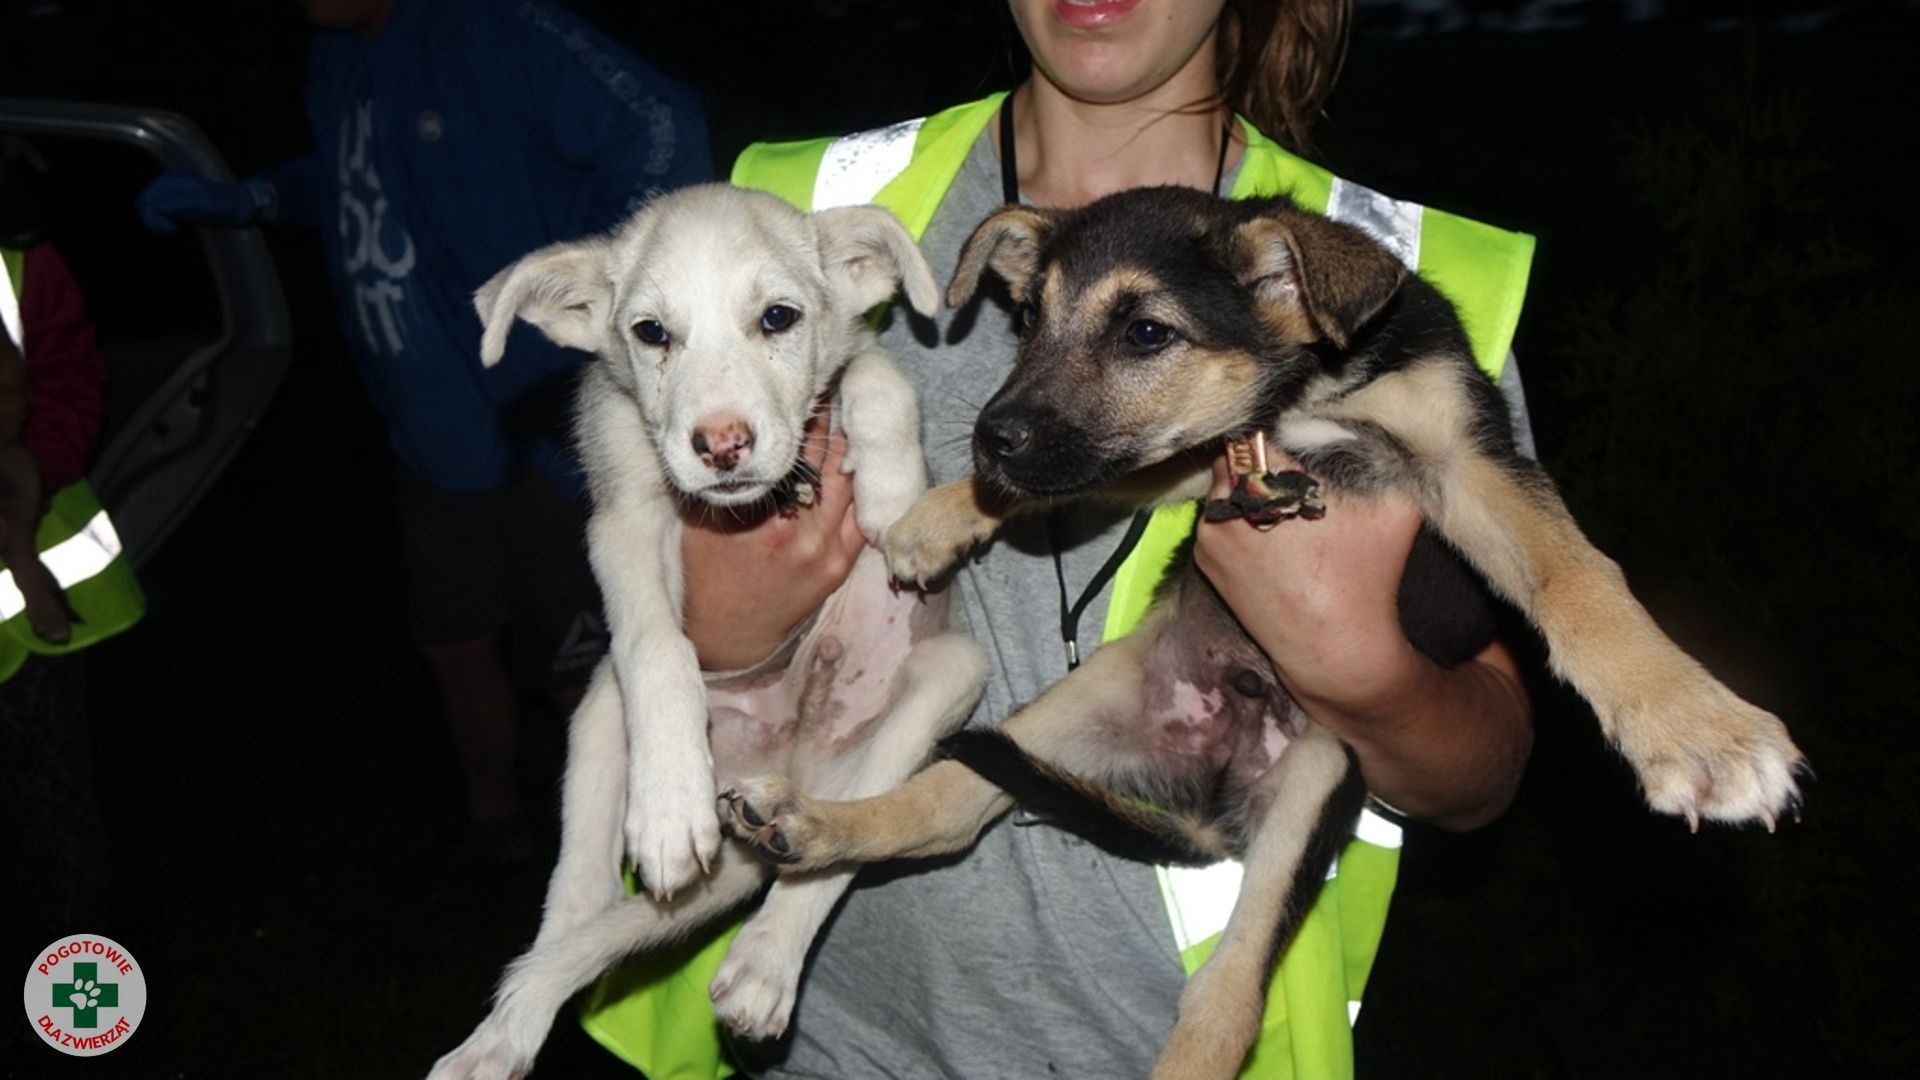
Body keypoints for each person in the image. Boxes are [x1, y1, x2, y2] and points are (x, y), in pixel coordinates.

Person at [587, 1, 1533, 1076]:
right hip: (814, 1026)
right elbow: (625, 528)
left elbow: (1484, 768)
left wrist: (1357, 664)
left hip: (1171, 1038)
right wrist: (728, 635)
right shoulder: (798, 212)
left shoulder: (1378, 280)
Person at [135, 0, 711, 868]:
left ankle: (629, 853)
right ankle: (494, 828)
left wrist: (618, 288)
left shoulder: (496, 29)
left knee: (581, 666)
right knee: (454, 642)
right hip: (422, 434)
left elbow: (661, 127)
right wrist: (250, 198)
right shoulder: (339, 61)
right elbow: (344, 182)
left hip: (538, 422)